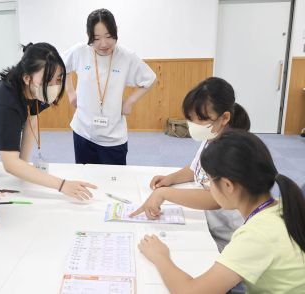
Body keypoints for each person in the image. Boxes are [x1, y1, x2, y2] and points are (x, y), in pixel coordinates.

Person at [138, 129, 305, 293]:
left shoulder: (256, 236)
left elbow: (189, 291)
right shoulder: (281, 206)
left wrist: (160, 256)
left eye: (209, 181)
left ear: (227, 185)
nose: (208, 187)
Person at [0, 42, 97, 200]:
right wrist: (62, 185)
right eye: (48, 79)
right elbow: (10, 164)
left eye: (59, 79)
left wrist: (24, 167)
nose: (55, 85)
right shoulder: (6, 103)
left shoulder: (36, 91)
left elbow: (31, 122)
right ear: (27, 78)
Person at [131, 77, 251, 251]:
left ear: (224, 117)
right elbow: (195, 168)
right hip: (207, 221)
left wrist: (165, 193)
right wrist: (171, 179)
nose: (194, 126)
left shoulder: (233, 152)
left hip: (229, 237)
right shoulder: (211, 136)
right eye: (190, 119)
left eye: (201, 120)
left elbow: (216, 200)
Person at [63, 8, 156, 165]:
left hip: (113, 138)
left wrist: (130, 101)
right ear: (89, 36)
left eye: (108, 36)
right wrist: (70, 92)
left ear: (116, 31)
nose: (103, 44)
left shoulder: (126, 57)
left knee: (114, 184)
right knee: (86, 181)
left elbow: (150, 79)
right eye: (97, 38)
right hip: (82, 132)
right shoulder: (80, 52)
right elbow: (60, 67)